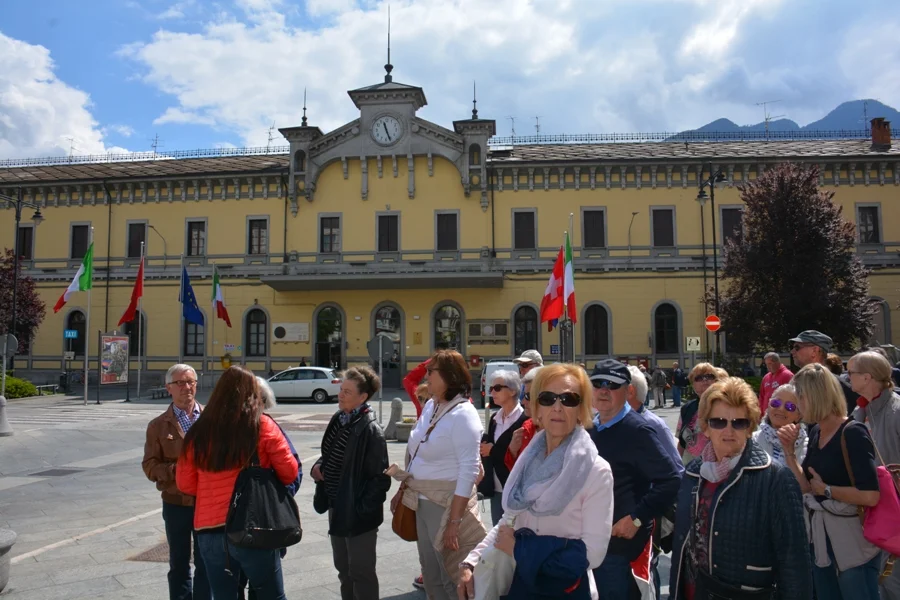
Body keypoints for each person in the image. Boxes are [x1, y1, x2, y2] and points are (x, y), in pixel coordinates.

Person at [457, 363, 614, 600]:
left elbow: (593, 554)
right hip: (521, 585)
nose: (557, 407)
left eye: (569, 399)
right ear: (536, 408)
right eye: (548, 398)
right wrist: (470, 562)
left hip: (567, 591)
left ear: (581, 409)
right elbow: (509, 520)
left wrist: (519, 549)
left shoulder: (595, 470)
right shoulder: (529, 460)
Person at [669, 377, 811, 599]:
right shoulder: (693, 473)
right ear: (706, 428)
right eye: (718, 422)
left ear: (750, 427)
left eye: (738, 422)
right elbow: (682, 548)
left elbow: (795, 565)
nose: (728, 430)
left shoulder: (776, 479)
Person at [176, 366, 298, 600]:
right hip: (254, 524)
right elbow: (290, 472)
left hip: (210, 529)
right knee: (270, 594)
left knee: (223, 595)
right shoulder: (261, 425)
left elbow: (185, 484)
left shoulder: (198, 431)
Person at [386, 349, 486, 600]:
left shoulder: (464, 414)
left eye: (431, 371)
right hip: (421, 500)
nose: (426, 376)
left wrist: (455, 521)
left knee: (451, 576)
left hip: (445, 503)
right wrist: (403, 490)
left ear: (450, 377)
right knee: (430, 574)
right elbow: (416, 453)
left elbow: (469, 470)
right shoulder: (432, 405)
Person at [780, 363, 882, 600]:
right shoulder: (816, 431)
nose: (797, 404)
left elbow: (871, 496)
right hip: (822, 543)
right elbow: (808, 488)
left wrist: (827, 490)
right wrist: (789, 453)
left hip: (852, 544)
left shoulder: (853, 432)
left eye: (800, 397)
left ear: (816, 396)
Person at [589, 359, 682, 599]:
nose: (604, 390)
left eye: (612, 385)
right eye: (598, 384)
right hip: (591, 543)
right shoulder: (590, 428)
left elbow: (672, 480)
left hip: (619, 549)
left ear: (628, 390)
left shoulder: (638, 430)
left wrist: (637, 518)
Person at [311, 366, 390, 600]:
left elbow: (380, 479)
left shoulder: (371, 429)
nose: (341, 395)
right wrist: (319, 466)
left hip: (357, 514)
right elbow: (329, 452)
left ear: (362, 397)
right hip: (336, 506)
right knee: (343, 570)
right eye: (341, 390)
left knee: (361, 572)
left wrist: (361, 510)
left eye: (347, 392)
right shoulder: (339, 419)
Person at [142, 364, 210, 600]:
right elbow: (149, 465)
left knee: (207, 562)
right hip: (176, 503)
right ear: (168, 388)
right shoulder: (158, 425)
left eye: (190, 382)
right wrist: (176, 470)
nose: (186, 387)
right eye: (180, 383)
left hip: (207, 503)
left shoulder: (212, 420)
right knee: (179, 563)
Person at [238, 377, 302, 600]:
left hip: (225, 523)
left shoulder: (216, 428)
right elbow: (292, 472)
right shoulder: (267, 426)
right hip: (261, 520)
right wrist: (277, 498)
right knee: (267, 589)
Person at [626, 364, 683, 599]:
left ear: (629, 391)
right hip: (618, 515)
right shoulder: (606, 423)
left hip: (647, 515)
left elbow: (676, 471)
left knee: (647, 570)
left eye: (611, 386)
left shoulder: (653, 425)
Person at [847, 350, 900, 599]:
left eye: (851, 373)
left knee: (893, 581)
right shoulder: (859, 412)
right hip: (871, 511)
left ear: (867, 377)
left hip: (894, 513)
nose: (846, 377)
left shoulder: (897, 411)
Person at [478, 369, 528, 526]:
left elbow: (522, 455)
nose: (492, 392)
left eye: (497, 388)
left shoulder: (525, 419)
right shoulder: (495, 418)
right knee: (497, 534)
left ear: (512, 391)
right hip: (496, 489)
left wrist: (492, 450)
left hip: (516, 491)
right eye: (491, 388)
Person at [789, 329, 859, 413]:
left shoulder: (837, 386)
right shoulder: (796, 381)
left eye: (797, 347)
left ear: (814, 350)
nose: (792, 351)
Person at [676, 363, 728, 465]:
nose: (705, 380)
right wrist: (677, 465)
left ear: (715, 381)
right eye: (699, 378)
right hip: (690, 465)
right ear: (692, 384)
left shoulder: (727, 405)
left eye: (709, 376)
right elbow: (681, 442)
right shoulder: (687, 408)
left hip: (719, 465)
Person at [752, 383, 807, 466]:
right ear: (768, 405)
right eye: (776, 403)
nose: (781, 409)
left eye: (790, 406)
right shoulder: (752, 440)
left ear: (798, 416)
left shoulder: (807, 446)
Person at [505, 366, 543, 470]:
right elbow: (517, 473)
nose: (523, 402)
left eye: (528, 396)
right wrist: (513, 451)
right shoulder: (527, 427)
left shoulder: (561, 432)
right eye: (523, 395)